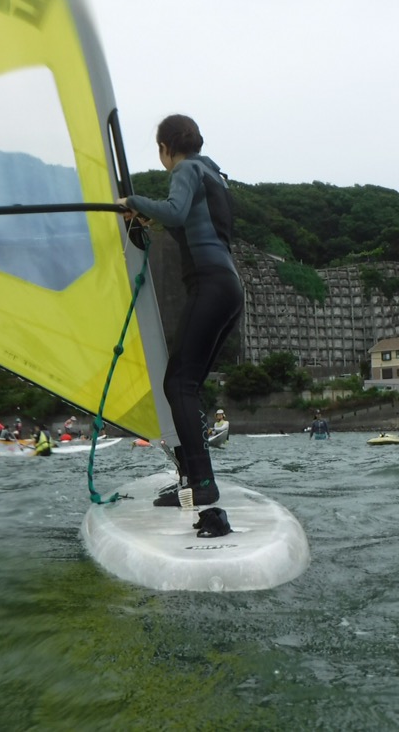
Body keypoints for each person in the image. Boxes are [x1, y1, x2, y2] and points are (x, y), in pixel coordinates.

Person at [120, 115, 242, 508]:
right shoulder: (214, 175)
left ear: (165, 148)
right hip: (229, 288)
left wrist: (132, 202)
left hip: (209, 284)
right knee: (186, 384)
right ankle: (192, 480)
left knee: (178, 384)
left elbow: (173, 211)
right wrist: (148, 216)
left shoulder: (185, 169)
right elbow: (186, 224)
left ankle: (201, 483)